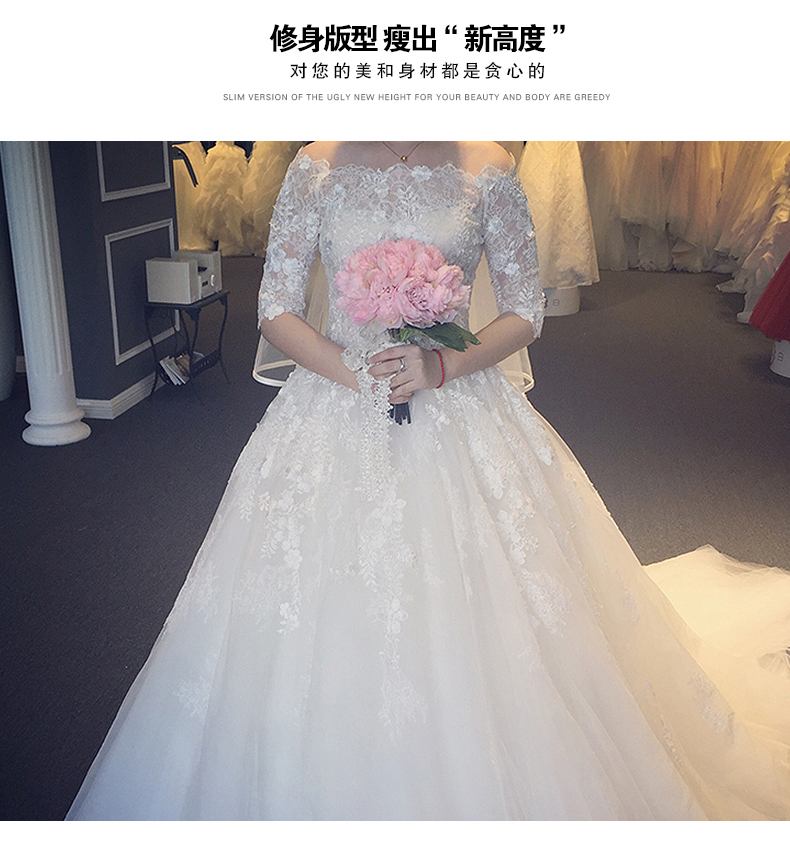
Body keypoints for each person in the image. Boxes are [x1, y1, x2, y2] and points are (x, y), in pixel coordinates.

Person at [67, 141, 790, 820]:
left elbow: (525, 309)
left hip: (457, 399)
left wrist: (442, 365)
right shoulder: (315, 164)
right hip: (337, 400)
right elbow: (274, 307)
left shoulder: (488, 164)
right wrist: (353, 371)